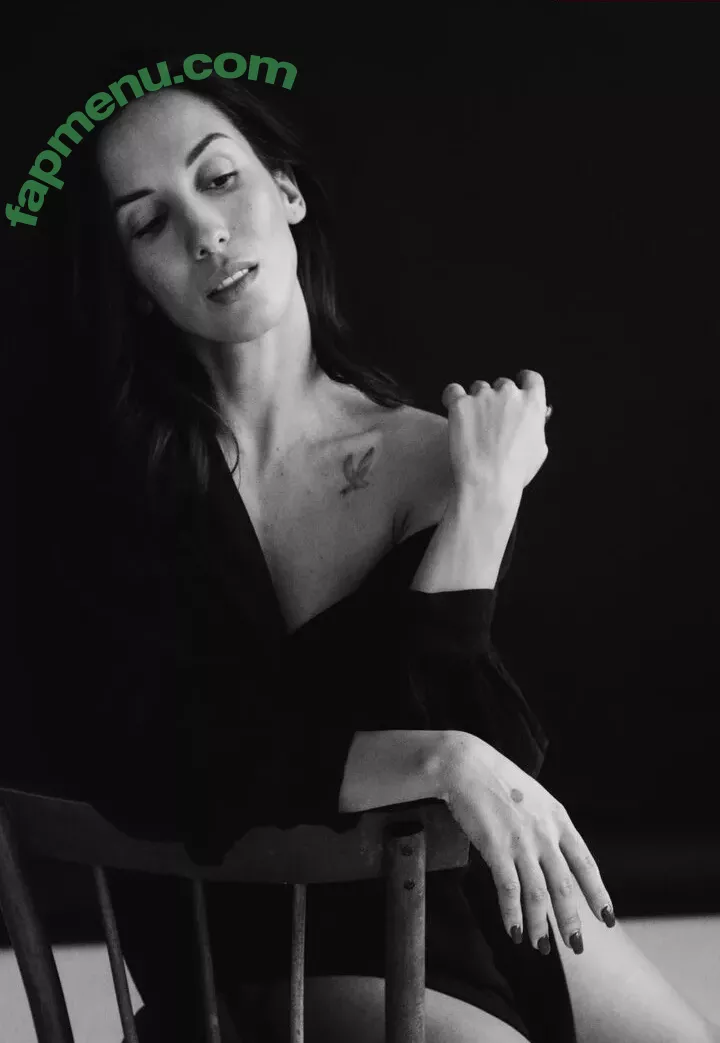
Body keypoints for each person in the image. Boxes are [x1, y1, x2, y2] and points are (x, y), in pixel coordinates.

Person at [43, 75, 718, 1043]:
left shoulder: (433, 452)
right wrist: (438, 757)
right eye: (150, 223)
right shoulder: (120, 479)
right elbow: (168, 753)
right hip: (262, 935)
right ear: (134, 282)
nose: (206, 234)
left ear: (287, 191)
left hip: (452, 897)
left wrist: (485, 504)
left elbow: (485, 746)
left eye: (221, 179)